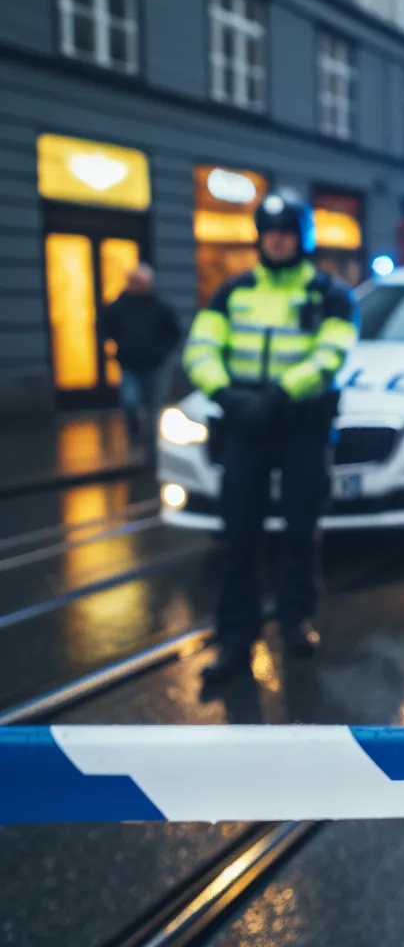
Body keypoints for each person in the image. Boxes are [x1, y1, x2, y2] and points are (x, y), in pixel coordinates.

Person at [184, 189, 358, 688]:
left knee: (300, 531)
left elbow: (331, 354)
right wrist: (226, 393)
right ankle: (235, 638)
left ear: (302, 238)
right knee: (239, 534)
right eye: (270, 232)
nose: (277, 241)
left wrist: (282, 394)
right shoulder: (232, 291)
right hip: (245, 424)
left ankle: (294, 622)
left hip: (300, 424)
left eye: (286, 233)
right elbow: (201, 349)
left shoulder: (329, 294)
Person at [99, 265, 183, 446]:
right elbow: (105, 328)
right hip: (129, 363)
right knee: (130, 401)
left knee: (153, 405)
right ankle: (135, 436)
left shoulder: (161, 307)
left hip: (154, 364)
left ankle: (151, 444)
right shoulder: (118, 307)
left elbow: (175, 333)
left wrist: (162, 353)